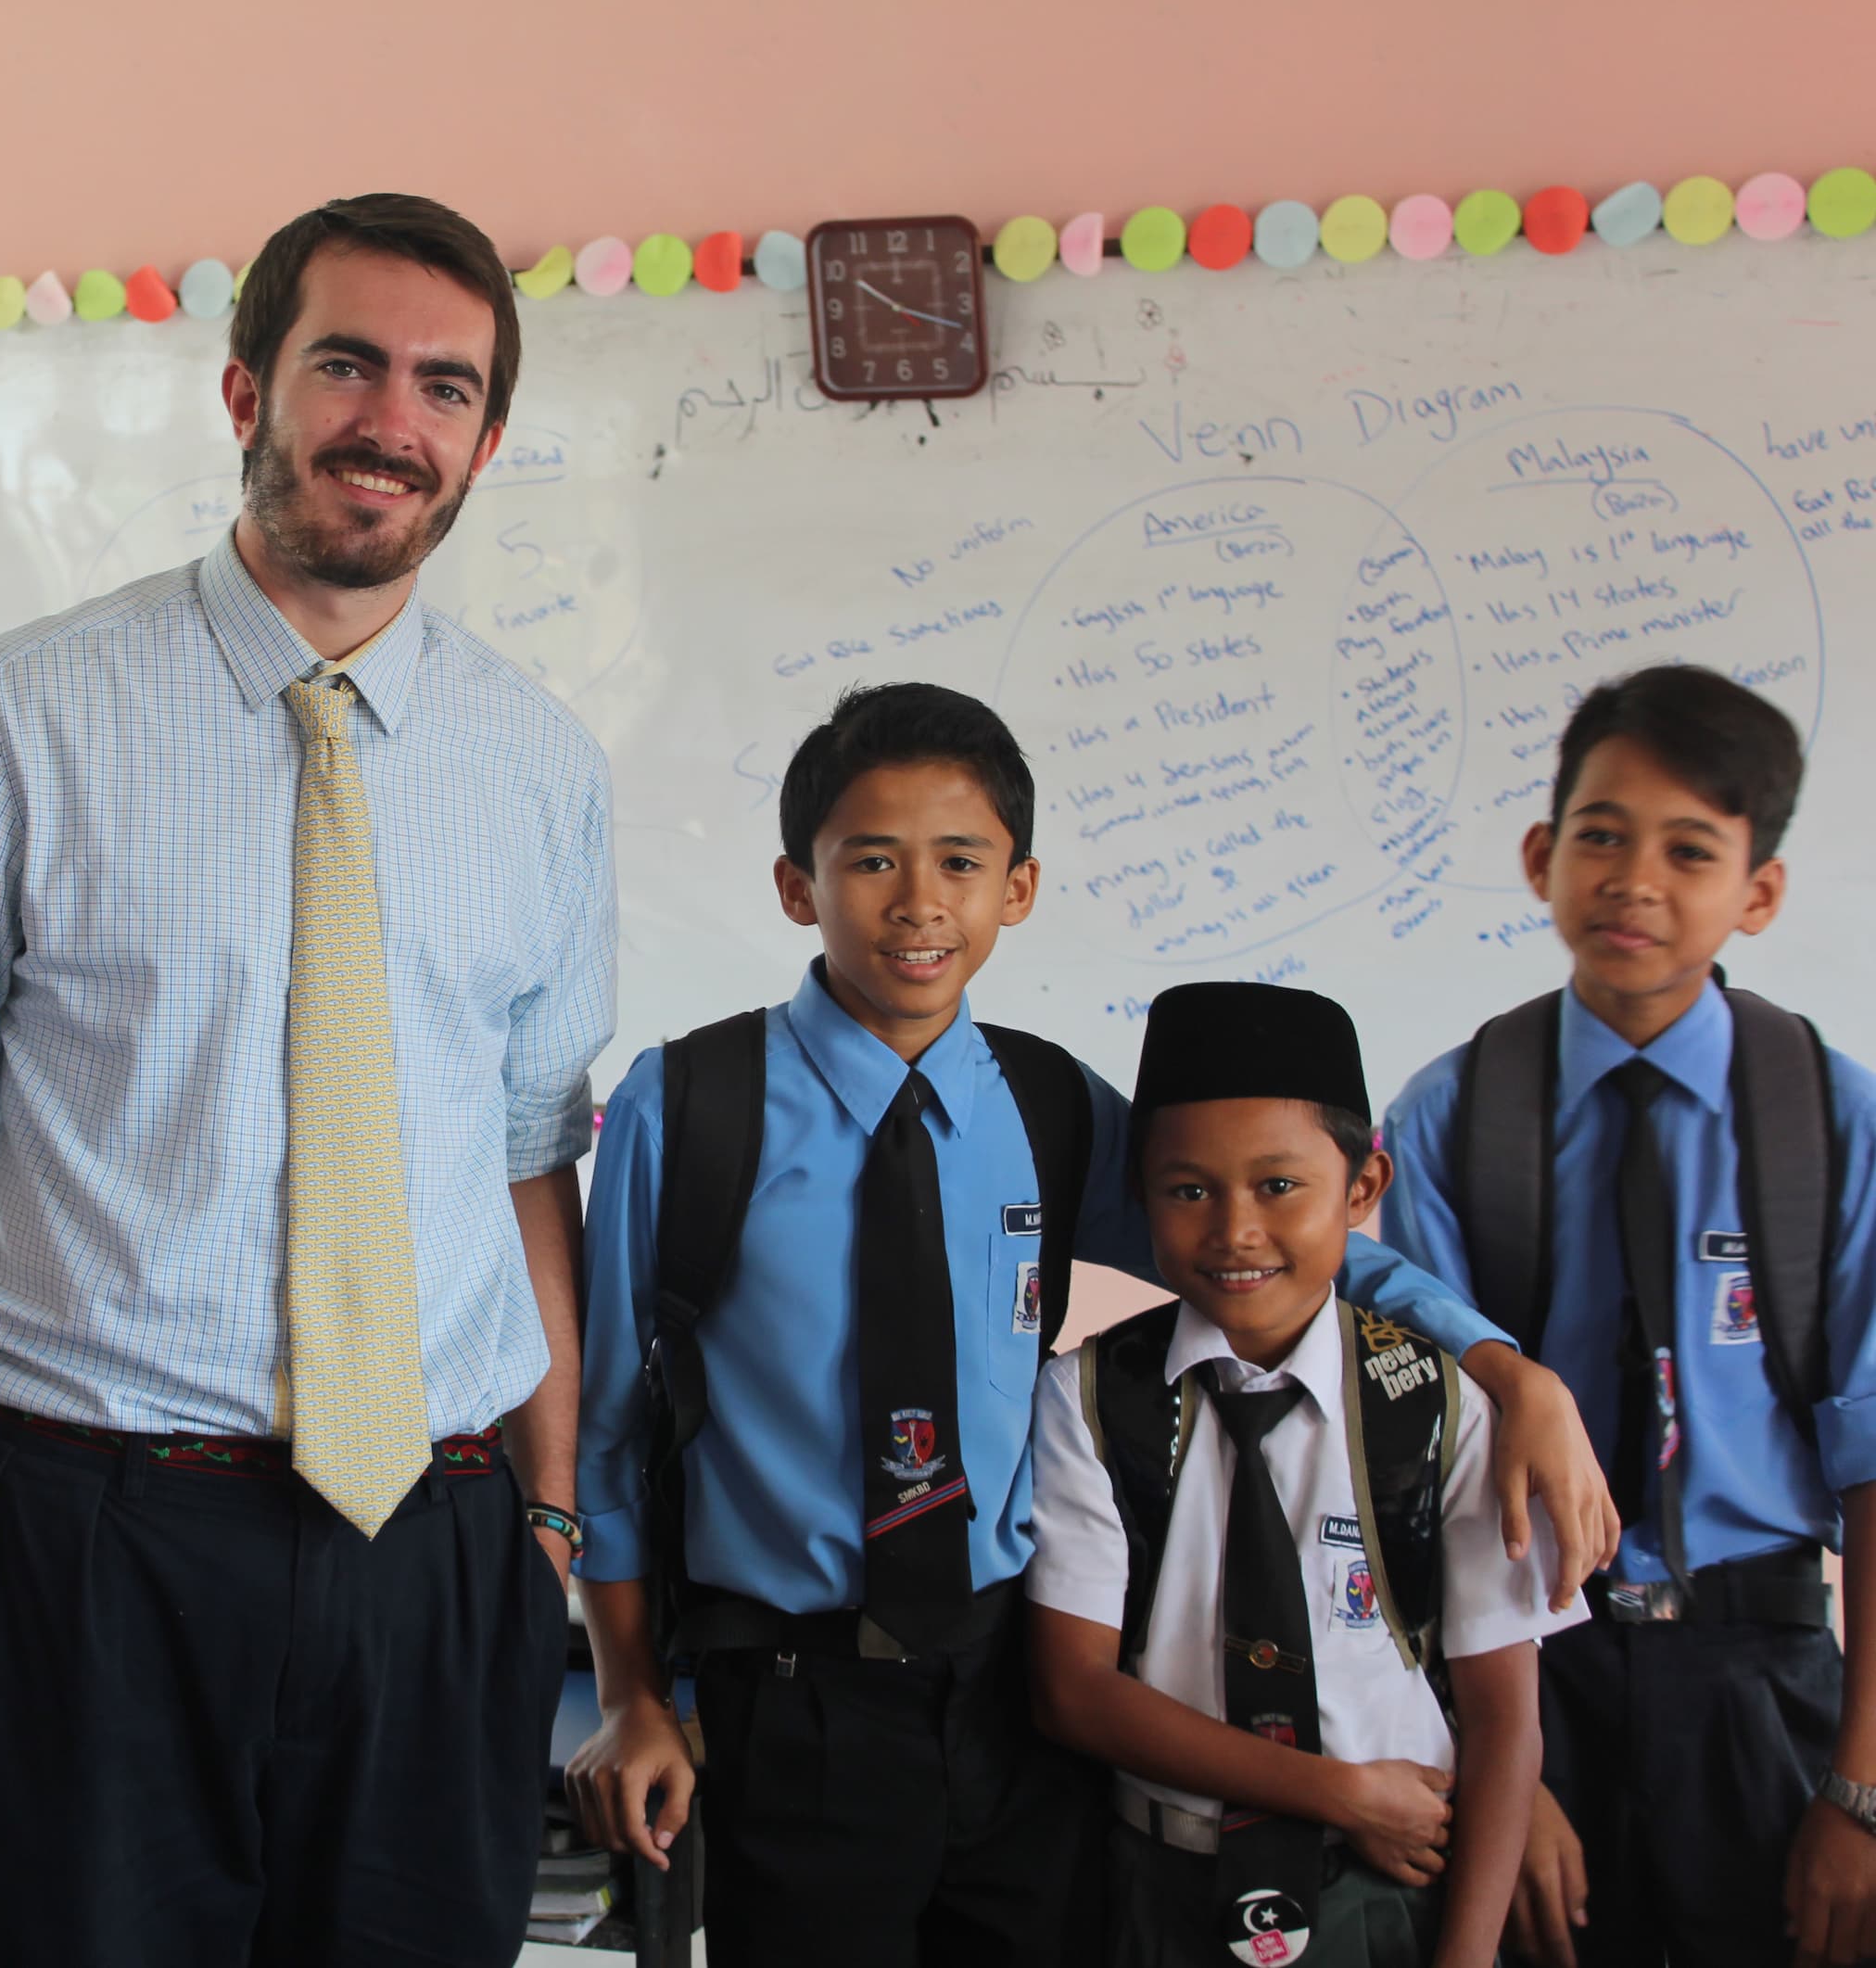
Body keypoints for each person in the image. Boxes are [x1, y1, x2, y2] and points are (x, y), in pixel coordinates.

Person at [0, 192, 615, 1965]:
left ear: (483, 439)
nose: (388, 422)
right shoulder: (24, 715)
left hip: (440, 1534)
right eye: (346, 365)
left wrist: (550, 1509)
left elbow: (525, 1150)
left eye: (442, 386)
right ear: (246, 387)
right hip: (100, 1533)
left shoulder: (541, 768)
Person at [566, 682, 1617, 1967]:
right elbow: (604, 1426)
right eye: (873, 860)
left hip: (1014, 1694)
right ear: (798, 885)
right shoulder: (690, 1103)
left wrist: (1507, 1368)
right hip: (797, 1699)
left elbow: (1260, 1244)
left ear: (1018, 888)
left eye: (962, 861)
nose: (919, 902)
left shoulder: (1048, 1104)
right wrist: (629, 1692)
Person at [1379, 665, 1876, 1968]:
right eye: (1600, 835)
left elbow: (1875, 1458)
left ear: (1758, 890)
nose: (1634, 880)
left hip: (1762, 1669)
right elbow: (1419, 1463)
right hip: (1535, 1663)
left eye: (1689, 850)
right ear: (1540, 856)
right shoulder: (1451, 1115)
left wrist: (1861, 1786)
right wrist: (1499, 1763)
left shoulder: (1831, 1123)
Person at [1030, 981, 1583, 1968]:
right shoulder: (1089, 1398)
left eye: (1279, 1185)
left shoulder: (1441, 1404)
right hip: (1166, 1887)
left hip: (1384, 1896)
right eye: (1188, 1190)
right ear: (1140, 1193)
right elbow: (1074, 1690)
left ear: (1363, 1189)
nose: (1235, 1230)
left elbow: (1505, 1721)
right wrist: (1342, 1792)